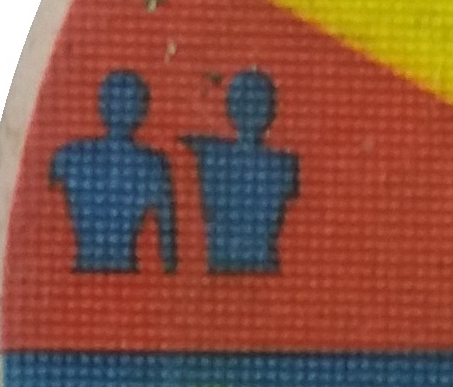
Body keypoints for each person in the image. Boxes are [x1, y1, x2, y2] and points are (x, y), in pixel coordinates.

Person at [50, 69, 177, 272]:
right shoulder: (154, 166)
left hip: (90, 272)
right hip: (122, 272)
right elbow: (168, 251)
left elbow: (168, 245)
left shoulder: (68, 156)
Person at [183, 70, 299, 272]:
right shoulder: (211, 153)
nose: (250, 110)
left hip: (258, 268)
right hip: (223, 269)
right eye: (243, 102)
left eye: (258, 103)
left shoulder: (284, 164)